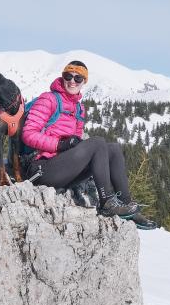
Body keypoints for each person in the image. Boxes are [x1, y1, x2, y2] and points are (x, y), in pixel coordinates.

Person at [22, 60, 144, 221]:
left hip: (63, 169)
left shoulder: (79, 108)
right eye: (68, 76)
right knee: (97, 142)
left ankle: (127, 206)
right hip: (41, 170)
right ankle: (107, 202)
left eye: (78, 78)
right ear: (63, 77)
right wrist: (61, 144)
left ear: (83, 81)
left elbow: (77, 145)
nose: (72, 81)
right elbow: (28, 134)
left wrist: (73, 145)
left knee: (113, 148)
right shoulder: (48, 99)